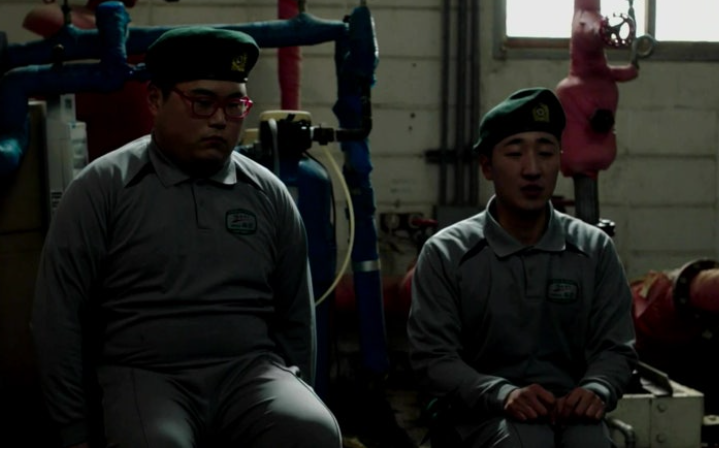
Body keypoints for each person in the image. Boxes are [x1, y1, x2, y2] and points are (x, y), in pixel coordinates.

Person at [32, 26, 341, 448]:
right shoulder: (103, 189)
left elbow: (297, 318)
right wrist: (75, 433)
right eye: (202, 102)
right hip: (145, 375)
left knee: (313, 430)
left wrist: (297, 386)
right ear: (155, 100)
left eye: (234, 105)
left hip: (249, 372)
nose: (220, 120)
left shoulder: (267, 194)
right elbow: (58, 321)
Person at [407, 87, 637, 447]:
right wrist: (503, 394)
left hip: (570, 418)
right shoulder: (448, 253)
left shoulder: (593, 250)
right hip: (475, 422)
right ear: (487, 166)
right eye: (515, 154)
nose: (532, 169)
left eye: (545, 153)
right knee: (525, 438)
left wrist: (597, 387)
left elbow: (616, 347)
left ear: (559, 161)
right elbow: (433, 360)